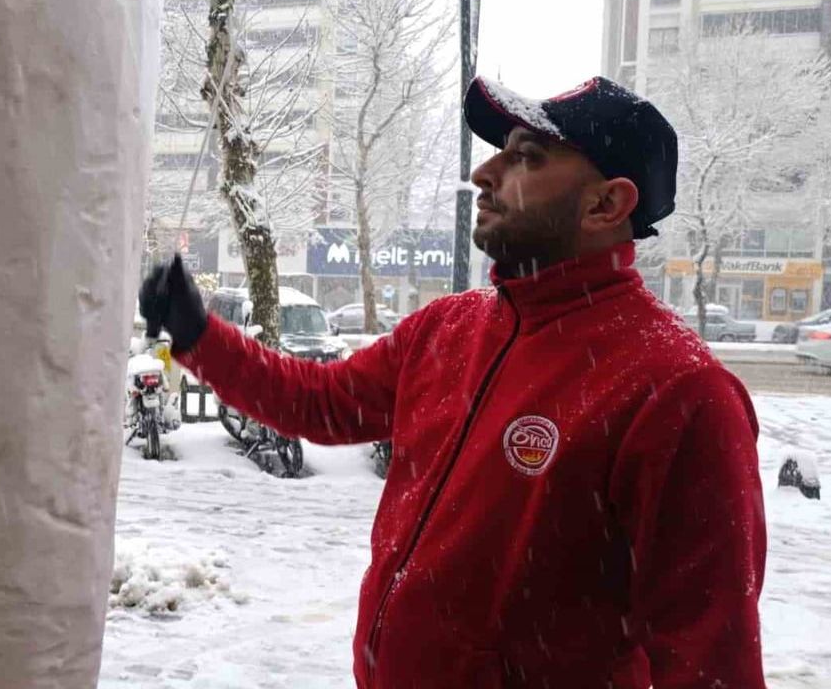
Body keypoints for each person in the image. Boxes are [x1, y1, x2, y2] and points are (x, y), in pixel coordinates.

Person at [139, 76, 766, 688]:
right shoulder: (448, 328)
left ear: (606, 204)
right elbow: (322, 404)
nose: (484, 174)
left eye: (527, 157)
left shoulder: (677, 390)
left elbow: (711, 661)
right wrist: (199, 336)